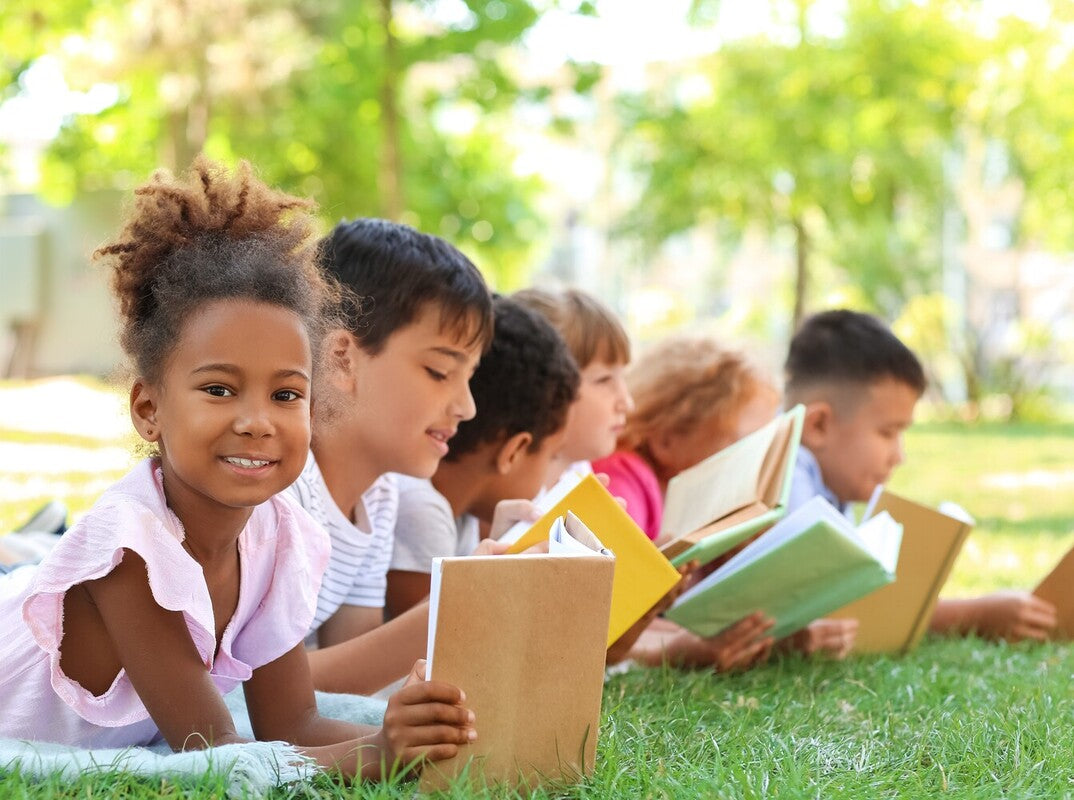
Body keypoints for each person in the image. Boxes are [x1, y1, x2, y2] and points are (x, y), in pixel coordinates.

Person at [0, 159, 474, 779]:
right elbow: (216, 758)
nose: (259, 422)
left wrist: (407, 732)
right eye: (220, 389)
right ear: (149, 409)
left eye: (286, 395)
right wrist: (378, 754)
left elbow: (292, 727)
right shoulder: (133, 551)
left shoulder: (278, 539)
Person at [783, 308, 1058, 643]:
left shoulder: (827, 483)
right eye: (887, 433)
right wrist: (975, 615)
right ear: (819, 425)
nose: (899, 456)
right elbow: (836, 607)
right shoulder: (789, 475)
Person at [594, 335, 857, 666]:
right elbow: (602, 628)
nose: (757, 463)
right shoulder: (625, 481)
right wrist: (676, 652)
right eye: (745, 446)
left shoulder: (702, 506)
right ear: (667, 439)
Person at [385, 295, 580, 620]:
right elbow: (437, 651)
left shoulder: (460, 516)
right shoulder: (423, 509)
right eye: (552, 457)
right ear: (514, 451)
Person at [512, 287, 633, 483]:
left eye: (623, 377)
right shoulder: (503, 502)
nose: (627, 403)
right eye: (604, 380)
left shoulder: (578, 473)